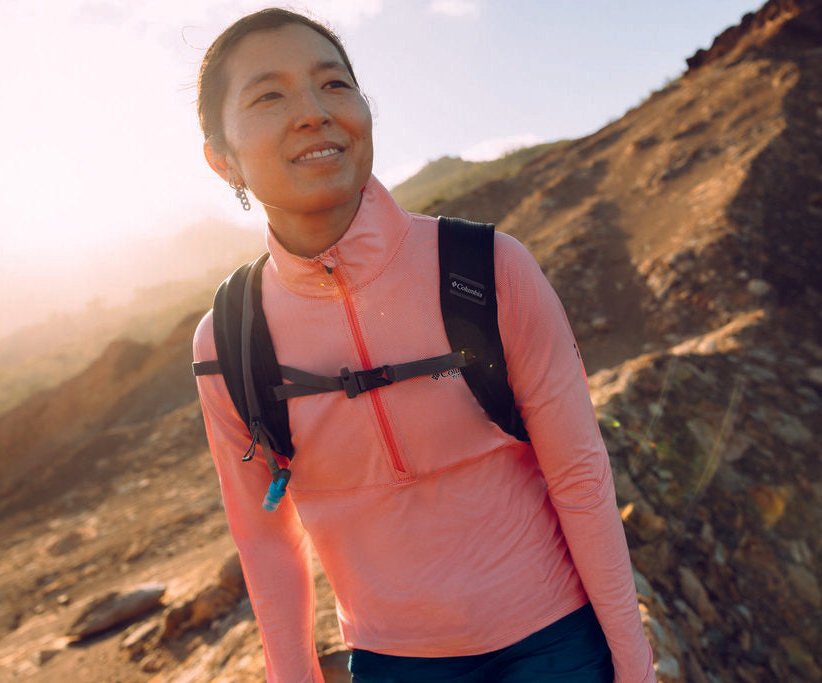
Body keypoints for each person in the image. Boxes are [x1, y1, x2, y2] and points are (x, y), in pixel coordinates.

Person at [192, 8, 655, 682]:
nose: (314, 112)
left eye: (334, 84)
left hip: (556, 644)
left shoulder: (488, 268)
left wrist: (634, 667)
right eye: (269, 95)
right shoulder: (230, 339)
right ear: (222, 159)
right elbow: (266, 543)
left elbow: (580, 476)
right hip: (391, 664)